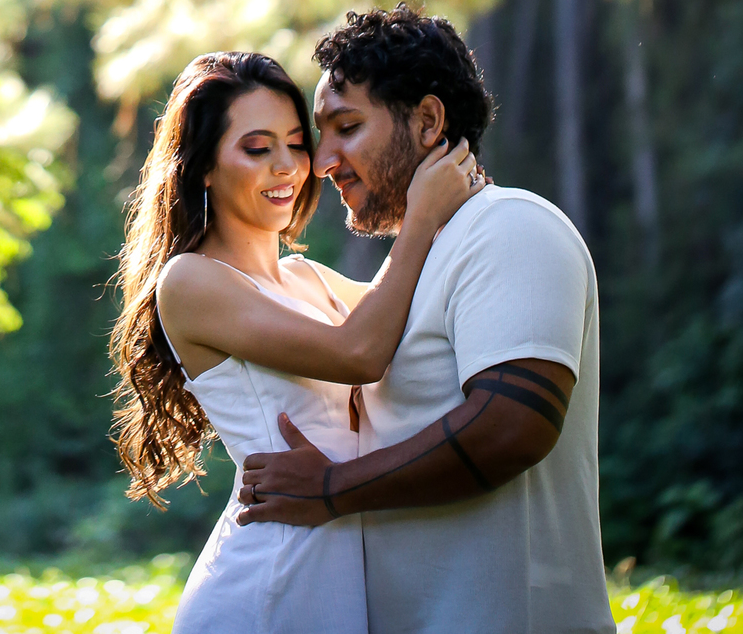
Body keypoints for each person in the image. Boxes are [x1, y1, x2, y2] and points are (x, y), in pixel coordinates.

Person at [237, 4, 616, 634]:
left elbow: (512, 428)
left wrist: (333, 488)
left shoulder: (511, 227)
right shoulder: (418, 263)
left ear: (429, 120)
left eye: (347, 127)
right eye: (320, 134)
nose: (322, 159)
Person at [109, 48, 483, 634]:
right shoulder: (190, 281)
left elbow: (416, 319)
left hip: (335, 575)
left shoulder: (307, 278)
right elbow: (360, 353)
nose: (287, 166)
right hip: (268, 579)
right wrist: (420, 216)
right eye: (257, 149)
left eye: (295, 143)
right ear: (203, 165)